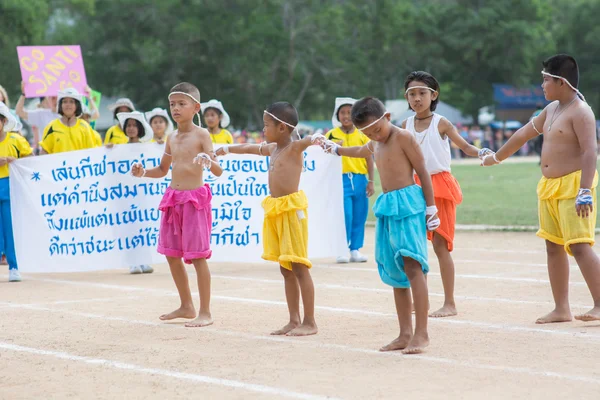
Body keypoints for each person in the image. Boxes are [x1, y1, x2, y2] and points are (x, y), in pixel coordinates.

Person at [483, 54, 600, 323]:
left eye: (546, 80)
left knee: (580, 246)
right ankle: (562, 308)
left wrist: (584, 190)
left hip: (574, 186)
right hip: (549, 188)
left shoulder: (581, 111)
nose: (542, 86)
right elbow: (524, 134)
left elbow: (589, 152)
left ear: (561, 82)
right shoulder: (551, 109)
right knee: (553, 246)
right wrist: (496, 157)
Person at [322, 97, 439, 354]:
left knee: (413, 265)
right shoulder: (374, 142)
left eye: (376, 129)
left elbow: (423, 170)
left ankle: (422, 333)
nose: (374, 135)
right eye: (367, 133)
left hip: (408, 204)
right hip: (387, 206)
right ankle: (404, 333)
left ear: (386, 117)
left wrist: (431, 208)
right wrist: (334, 149)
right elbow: (359, 151)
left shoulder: (404, 137)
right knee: (396, 269)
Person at [216, 102, 322, 336]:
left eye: (266, 125)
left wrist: (318, 138)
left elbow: (309, 140)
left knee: (299, 266)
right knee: (286, 268)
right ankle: (293, 319)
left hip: (292, 210)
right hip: (275, 209)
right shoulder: (273, 149)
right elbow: (249, 148)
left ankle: (310, 321)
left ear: (283, 127)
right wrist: (226, 149)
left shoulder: (293, 148)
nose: (263, 129)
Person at [131, 82, 222, 327]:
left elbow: (219, 170)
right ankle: (186, 305)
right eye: (172, 104)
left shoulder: (202, 135)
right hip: (173, 199)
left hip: (194, 201)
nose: (176, 108)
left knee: (198, 257)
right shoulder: (171, 137)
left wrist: (208, 162)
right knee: (172, 256)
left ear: (196, 107)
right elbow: (162, 170)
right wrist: (142, 173)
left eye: (182, 104)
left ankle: (205, 312)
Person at [402, 71, 492, 318]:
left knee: (441, 246)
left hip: (440, 187)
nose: (417, 98)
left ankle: (450, 302)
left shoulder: (442, 123)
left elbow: (463, 146)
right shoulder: (405, 125)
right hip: (415, 188)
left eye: (422, 93)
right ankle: (421, 299)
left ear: (433, 95)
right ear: (406, 97)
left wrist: (482, 152)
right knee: (415, 246)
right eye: (412, 94)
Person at [326, 97, 375, 263]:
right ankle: (341, 249)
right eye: (342, 113)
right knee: (345, 215)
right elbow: (323, 158)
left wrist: (371, 181)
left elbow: (369, 157)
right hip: (340, 181)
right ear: (337, 115)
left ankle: (355, 249)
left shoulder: (362, 134)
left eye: (349, 112)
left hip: (360, 180)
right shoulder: (331, 134)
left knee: (359, 215)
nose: (346, 116)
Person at [116, 111, 155, 274]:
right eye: (128, 126)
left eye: (134, 125)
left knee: (144, 227)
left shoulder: (149, 148)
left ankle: (145, 260)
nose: (131, 129)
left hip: (144, 195)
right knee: (129, 227)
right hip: (126, 196)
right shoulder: (118, 149)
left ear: (140, 128)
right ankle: (133, 262)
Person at [0, 102, 33, 282]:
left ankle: (14, 266)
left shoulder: (16, 140)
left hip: (10, 188)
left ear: (4, 121)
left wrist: (15, 160)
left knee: (10, 230)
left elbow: (30, 160)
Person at [39, 88, 96, 154]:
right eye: (65, 101)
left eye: (71, 101)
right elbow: (44, 151)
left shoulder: (85, 127)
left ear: (77, 106)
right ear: (60, 105)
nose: (68, 104)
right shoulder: (51, 127)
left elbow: (92, 152)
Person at [15, 82, 59, 152]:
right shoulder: (41, 114)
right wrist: (23, 94)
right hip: (47, 154)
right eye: (52, 98)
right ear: (48, 99)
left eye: (57, 97)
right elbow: (19, 112)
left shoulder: (70, 113)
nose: (55, 100)